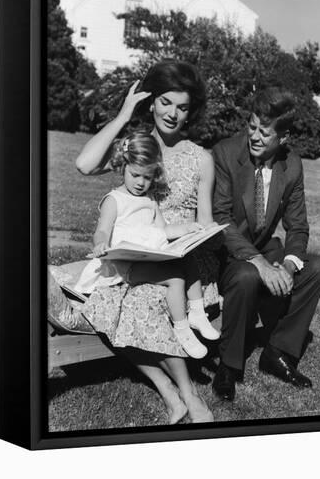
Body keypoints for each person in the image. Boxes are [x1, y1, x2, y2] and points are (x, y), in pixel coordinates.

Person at [74, 60, 220, 424]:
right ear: (151, 102)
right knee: (108, 300)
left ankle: (188, 394)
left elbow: (204, 225)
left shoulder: (201, 158)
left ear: (191, 112)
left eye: (182, 107)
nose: (172, 114)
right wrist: (125, 114)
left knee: (142, 298)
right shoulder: (136, 149)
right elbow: (84, 164)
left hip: (182, 262)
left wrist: (191, 237)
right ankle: (173, 392)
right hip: (135, 258)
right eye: (166, 102)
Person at [211, 87, 320, 402]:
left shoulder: (292, 165)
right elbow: (221, 221)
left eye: (265, 132)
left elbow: (298, 226)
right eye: (251, 127)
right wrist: (260, 264)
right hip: (226, 253)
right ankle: (229, 365)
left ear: (284, 137)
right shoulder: (225, 153)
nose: (255, 136)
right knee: (248, 275)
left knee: (317, 267)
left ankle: (277, 352)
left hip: (265, 248)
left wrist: (289, 266)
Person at [74, 130, 219, 358]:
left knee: (188, 258)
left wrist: (187, 230)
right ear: (123, 167)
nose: (141, 183)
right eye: (136, 175)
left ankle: (198, 312)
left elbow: (163, 229)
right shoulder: (114, 200)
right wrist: (101, 244)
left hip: (146, 256)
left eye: (148, 177)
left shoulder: (149, 199)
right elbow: (102, 230)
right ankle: (182, 330)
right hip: (123, 265)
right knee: (175, 278)